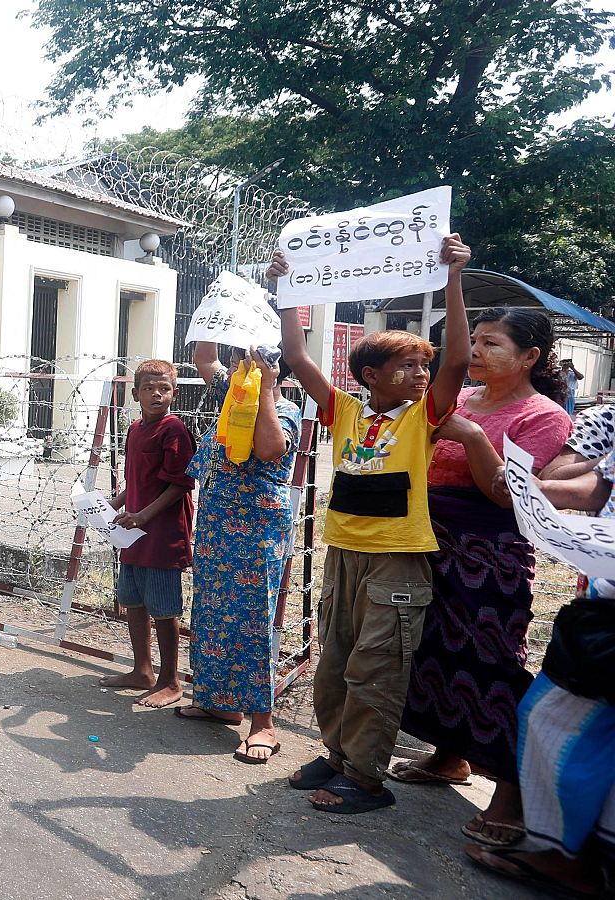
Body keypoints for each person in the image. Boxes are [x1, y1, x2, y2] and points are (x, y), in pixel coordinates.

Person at [275, 233, 472, 814]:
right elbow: (296, 357)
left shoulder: (424, 418)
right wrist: (287, 288)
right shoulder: (345, 413)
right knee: (334, 663)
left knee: (375, 669)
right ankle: (335, 756)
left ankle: (365, 778)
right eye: (406, 365)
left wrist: (454, 276)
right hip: (344, 553)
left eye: (422, 365)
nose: (419, 373)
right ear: (370, 374)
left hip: (397, 559)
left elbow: (456, 359)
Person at [389, 308, 571, 846]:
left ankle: (512, 797)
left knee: (490, 666)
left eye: (491, 344)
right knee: (434, 654)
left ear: (529, 358)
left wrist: (469, 436)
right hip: (434, 544)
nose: (475, 354)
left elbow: (514, 496)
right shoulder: (464, 398)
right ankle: (450, 757)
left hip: (492, 554)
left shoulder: (544, 416)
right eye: (475, 343)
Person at [462, 455, 615, 896]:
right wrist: (541, 491)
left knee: (554, 718)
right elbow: (601, 482)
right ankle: (573, 855)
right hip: (603, 600)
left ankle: (568, 856)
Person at [180, 343, 302, 764]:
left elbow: (269, 450)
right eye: (236, 362)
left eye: (248, 363)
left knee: (252, 620)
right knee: (212, 612)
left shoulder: (283, 408)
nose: (237, 368)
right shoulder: (232, 396)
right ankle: (220, 702)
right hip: (216, 527)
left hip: (256, 530)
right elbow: (204, 360)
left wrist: (265, 387)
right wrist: (214, 315)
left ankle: (263, 724)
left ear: (274, 371)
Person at [101, 359, 196, 708]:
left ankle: (170, 680)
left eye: (164, 388)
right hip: (132, 532)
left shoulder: (174, 431)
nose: (157, 394)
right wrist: (114, 503)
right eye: (149, 388)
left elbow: (181, 485)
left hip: (162, 534)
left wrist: (143, 516)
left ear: (174, 392)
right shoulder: (136, 428)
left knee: (164, 608)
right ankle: (142, 669)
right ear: (136, 393)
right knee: (134, 600)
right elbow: (135, 480)